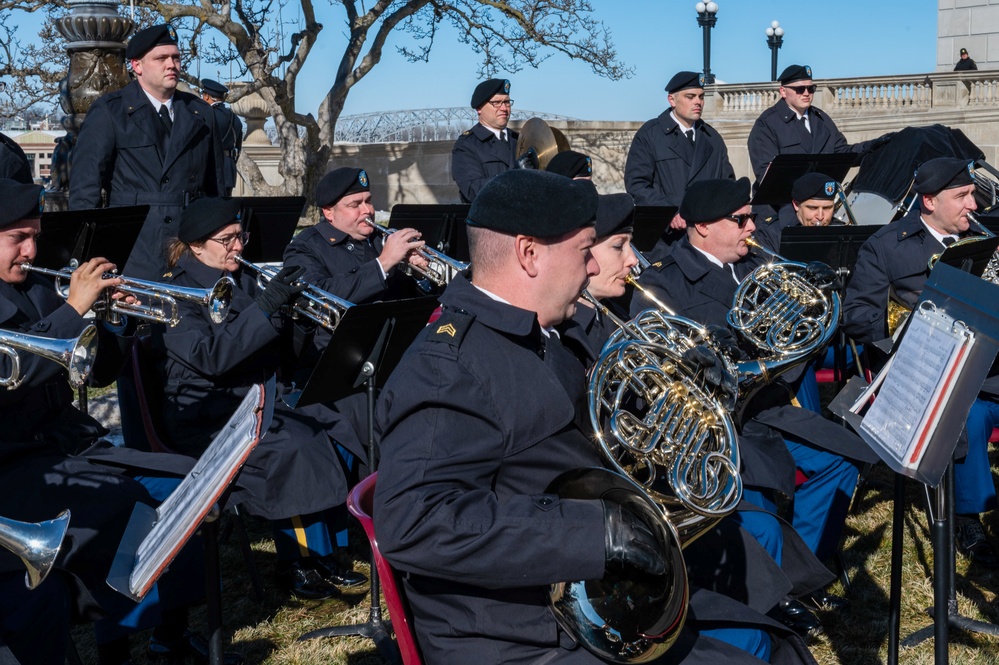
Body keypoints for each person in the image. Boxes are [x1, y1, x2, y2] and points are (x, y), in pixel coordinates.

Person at [374, 169, 817, 664]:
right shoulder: (450, 366)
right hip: (520, 638)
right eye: (585, 249)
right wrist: (595, 531)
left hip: (571, 599)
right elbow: (414, 521)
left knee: (773, 643)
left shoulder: (535, 336)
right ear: (528, 253)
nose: (591, 267)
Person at [632, 178, 878, 630]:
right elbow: (660, 369)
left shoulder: (754, 264)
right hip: (711, 426)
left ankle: (799, 578)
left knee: (843, 460)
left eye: (749, 218)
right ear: (703, 227)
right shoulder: (662, 282)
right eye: (740, 220)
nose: (752, 228)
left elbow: (797, 346)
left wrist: (820, 301)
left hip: (765, 406)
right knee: (756, 496)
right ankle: (777, 594)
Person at [0, 178, 217, 665]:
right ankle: (114, 641)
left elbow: (96, 372)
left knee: (186, 485)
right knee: (127, 502)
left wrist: (118, 322)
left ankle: (167, 634)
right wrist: (76, 309)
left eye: (35, 234)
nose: (33, 249)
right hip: (13, 463)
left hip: (64, 443)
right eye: (18, 238)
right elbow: (17, 371)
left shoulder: (36, 286)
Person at [152, 196, 367, 599]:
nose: (239, 247)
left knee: (335, 420)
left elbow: (279, 352)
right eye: (228, 239)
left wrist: (293, 318)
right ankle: (296, 561)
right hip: (209, 412)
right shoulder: (174, 294)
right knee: (296, 444)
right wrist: (266, 310)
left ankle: (327, 550)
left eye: (241, 237)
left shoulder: (242, 277)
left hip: (258, 396)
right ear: (197, 246)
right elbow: (212, 358)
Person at [843, 157, 999, 567]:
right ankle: (967, 515)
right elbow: (857, 315)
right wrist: (911, 325)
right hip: (927, 368)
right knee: (972, 414)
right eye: (962, 196)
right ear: (928, 201)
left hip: (988, 357)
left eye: (973, 195)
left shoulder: (984, 237)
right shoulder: (886, 245)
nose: (974, 206)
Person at [69, 23, 225, 281]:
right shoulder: (110, 112)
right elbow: (85, 192)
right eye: (161, 58)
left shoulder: (201, 113)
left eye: (176, 57)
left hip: (191, 246)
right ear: (137, 66)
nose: (171, 65)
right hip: (134, 247)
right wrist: (91, 260)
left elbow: (216, 188)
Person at [282, 167, 428, 303]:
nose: (367, 210)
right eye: (355, 205)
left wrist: (419, 275)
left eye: (368, 201)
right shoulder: (304, 247)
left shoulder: (383, 237)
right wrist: (383, 263)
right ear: (329, 212)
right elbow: (316, 297)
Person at [748, 65, 882, 199]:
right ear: (783, 91)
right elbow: (767, 176)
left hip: (819, 205)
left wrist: (872, 146)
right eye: (800, 89)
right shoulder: (767, 124)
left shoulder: (822, 119)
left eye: (811, 89)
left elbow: (843, 154)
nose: (806, 93)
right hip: (782, 209)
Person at [625, 71, 735, 232]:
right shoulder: (650, 134)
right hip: (665, 235)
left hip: (705, 232)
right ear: (672, 100)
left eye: (701, 97)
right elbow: (637, 184)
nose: (698, 102)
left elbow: (727, 184)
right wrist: (668, 212)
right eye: (690, 97)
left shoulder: (712, 138)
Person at [451, 78, 518, 202]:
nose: (504, 108)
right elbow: (473, 190)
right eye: (496, 103)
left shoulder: (519, 140)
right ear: (479, 108)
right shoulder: (466, 145)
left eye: (507, 102)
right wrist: (516, 176)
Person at [754, 172, 845, 254]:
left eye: (827, 208)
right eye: (813, 208)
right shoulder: (770, 233)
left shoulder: (841, 231)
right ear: (796, 205)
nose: (820, 216)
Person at [200, 78, 243, 196]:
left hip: (210, 169)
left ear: (207, 96)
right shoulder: (235, 118)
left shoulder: (207, 116)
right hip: (228, 170)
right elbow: (238, 148)